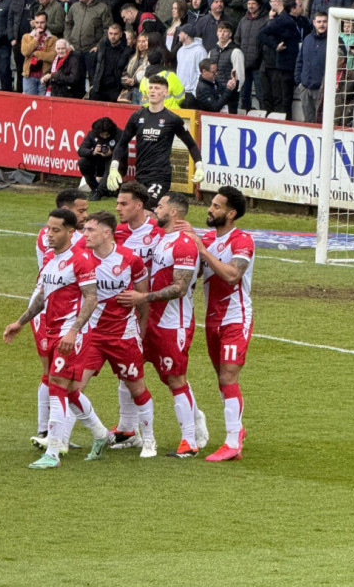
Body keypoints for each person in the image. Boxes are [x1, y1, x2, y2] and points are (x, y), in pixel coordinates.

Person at [3, 208, 98, 469]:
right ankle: (100, 435)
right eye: (48, 229)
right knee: (63, 388)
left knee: (57, 385)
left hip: (71, 333)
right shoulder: (50, 260)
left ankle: (53, 452)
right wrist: (20, 322)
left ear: (70, 232)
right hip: (52, 330)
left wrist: (74, 330)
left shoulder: (81, 260)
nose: (49, 235)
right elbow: (42, 297)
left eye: (56, 230)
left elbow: (92, 297)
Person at [118, 192, 206, 458]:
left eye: (160, 206)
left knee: (175, 379)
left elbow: (180, 288)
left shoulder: (183, 244)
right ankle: (127, 430)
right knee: (129, 370)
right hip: (150, 319)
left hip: (173, 323)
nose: (155, 210)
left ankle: (189, 442)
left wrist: (142, 297)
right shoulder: (161, 240)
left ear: (175, 212)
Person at [75, 211, 157, 459]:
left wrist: (141, 327)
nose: (85, 234)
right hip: (92, 335)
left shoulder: (130, 259)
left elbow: (143, 297)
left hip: (123, 334)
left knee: (137, 388)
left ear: (106, 232)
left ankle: (149, 440)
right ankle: (96, 433)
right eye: (85, 229)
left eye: (90, 230)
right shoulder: (81, 259)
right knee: (73, 387)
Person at [183, 186, 253, 462]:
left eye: (217, 206)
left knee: (228, 377)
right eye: (211, 205)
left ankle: (233, 443)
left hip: (236, 317)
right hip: (212, 319)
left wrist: (202, 250)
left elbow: (233, 275)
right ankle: (237, 430)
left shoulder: (242, 240)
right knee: (222, 380)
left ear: (231, 213)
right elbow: (198, 272)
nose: (210, 210)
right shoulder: (209, 239)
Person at [30, 189, 88, 451]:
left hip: (57, 307)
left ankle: (51, 432)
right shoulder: (58, 238)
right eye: (81, 212)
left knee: (59, 376)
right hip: (50, 310)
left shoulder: (58, 235)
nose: (84, 217)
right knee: (55, 375)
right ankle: (50, 433)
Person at [108, 76, 204, 206]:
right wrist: (113, 168)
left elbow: (191, 145)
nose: (152, 91)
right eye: (151, 87)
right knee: (136, 211)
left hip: (160, 176)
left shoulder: (172, 119)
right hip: (141, 174)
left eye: (157, 88)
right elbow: (122, 144)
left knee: (148, 206)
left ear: (165, 93)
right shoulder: (137, 117)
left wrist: (199, 167)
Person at [77, 117, 122, 200]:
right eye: (102, 135)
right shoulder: (92, 134)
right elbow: (81, 150)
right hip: (98, 163)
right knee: (82, 162)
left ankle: (101, 191)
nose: (105, 137)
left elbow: (124, 152)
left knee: (113, 162)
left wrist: (111, 152)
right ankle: (95, 188)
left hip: (115, 165)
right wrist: (93, 152)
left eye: (107, 135)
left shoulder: (119, 134)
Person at [20, 11, 57, 96]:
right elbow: (25, 52)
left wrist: (37, 53)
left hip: (44, 76)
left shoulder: (53, 38)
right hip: (29, 75)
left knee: (43, 104)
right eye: (37, 22)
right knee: (29, 103)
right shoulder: (26, 37)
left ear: (46, 22)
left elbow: (52, 57)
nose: (39, 25)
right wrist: (36, 39)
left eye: (42, 22)